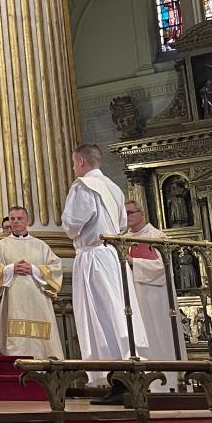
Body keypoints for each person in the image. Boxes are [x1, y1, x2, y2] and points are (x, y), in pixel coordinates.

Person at [62, 143, 146, 402]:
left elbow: (72, 225)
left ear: (80, 162)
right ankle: (125, 376)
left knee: (100, 317)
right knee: (118, 314)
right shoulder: (114, 188)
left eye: (75, 163)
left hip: (93, 258)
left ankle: (117, 380)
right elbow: (121, 224)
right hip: (112, 255)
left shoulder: (82, 186)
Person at [0, 206, 64, 359]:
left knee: (40, 343)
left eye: (20, 218)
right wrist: (10, 269)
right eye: (12, 218)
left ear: (28, 220)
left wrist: (34, 269)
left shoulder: (41, 246)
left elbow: (55, 268)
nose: (15, 222)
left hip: (38, 300)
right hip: (13, 300)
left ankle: (42, 361)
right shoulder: (1, 246)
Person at [125, 200, 185, 370]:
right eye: (125, 213)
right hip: (133, 296)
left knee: (159, 335)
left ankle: (169, 382)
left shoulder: (157, 236)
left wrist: (132, 261)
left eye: (130, 213)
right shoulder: (121, 239)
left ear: (142, 214)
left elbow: (161, 268)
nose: (127, 216)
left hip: (155, 296)